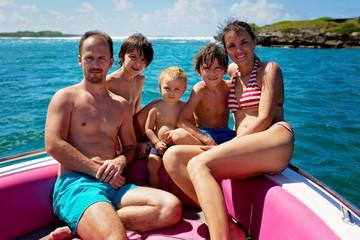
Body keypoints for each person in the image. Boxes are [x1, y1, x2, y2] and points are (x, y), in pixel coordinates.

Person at [163, 20, 295, 240]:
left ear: (255, 42)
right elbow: (212, 67)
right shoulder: (233, 74)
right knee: (173, 157)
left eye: (244, 42)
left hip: (274, 137)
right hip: (244, 145)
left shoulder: (269, 69)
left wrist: (227, 145)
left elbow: (264, 118)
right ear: (226, 50)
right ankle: (228, 228)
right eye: (232, 45)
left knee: (198, 163)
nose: (239, 49)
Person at [45, 31, 182, 240]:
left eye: (101, 58)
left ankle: (82, 225)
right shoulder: (65, 97)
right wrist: (97, 170)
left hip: (112, 183)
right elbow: (53, 145)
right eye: (89, 57)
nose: (95, 64)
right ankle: (90, 222)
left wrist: (119, 162)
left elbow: (129, 148)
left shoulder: (120, 105)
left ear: (110, 62)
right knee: (115, 237)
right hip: (77, 184)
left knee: (171, 208)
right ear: (80, 60)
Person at [106, 33, 160, 158]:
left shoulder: (140, 78)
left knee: (159, 103)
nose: (138, 63)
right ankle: (144, 144)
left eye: (143, 60)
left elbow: (137, 107)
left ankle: (145, 142)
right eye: (133, 57)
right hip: (118, 131)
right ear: (121, 56)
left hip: (133, 125)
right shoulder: (110, 81)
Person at [176, 43, 236, 146]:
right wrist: (206, 139)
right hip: (205, 133)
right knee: (178, 135)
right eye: (207, 68)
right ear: (199, 71)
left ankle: (218, 151)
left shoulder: (229, 87)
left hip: (226, 132)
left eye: (217, 67)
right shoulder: (199, 90)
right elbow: (182, 120)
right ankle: (217, 150)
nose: (212, 73)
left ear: (225, 70)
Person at [145, 66, 189, 189]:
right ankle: (155, 192)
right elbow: (148, 129)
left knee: (174, 170)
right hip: (159, 145)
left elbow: (191, 126)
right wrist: (156, 142)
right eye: (167, 88)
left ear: (184, 91)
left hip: (177, 146)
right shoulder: (155, 109)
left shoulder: (184, 108)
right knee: (152, 164)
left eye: (176, 89)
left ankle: (172, 196)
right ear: (160, 88)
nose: (171, 92)